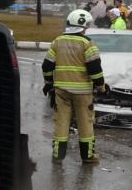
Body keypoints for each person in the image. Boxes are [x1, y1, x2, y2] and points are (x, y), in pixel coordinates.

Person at [42, 9, 106, 164]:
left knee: (61, 122)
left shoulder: (57, 42)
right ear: (83, 26)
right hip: (83, 93)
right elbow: (95, 70)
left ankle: (58, 155)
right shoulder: (87, 43)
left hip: (61, 91)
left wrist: (49, 84)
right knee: (85, 123)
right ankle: (88, 156)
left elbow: (46, 66)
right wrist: (101, 87)